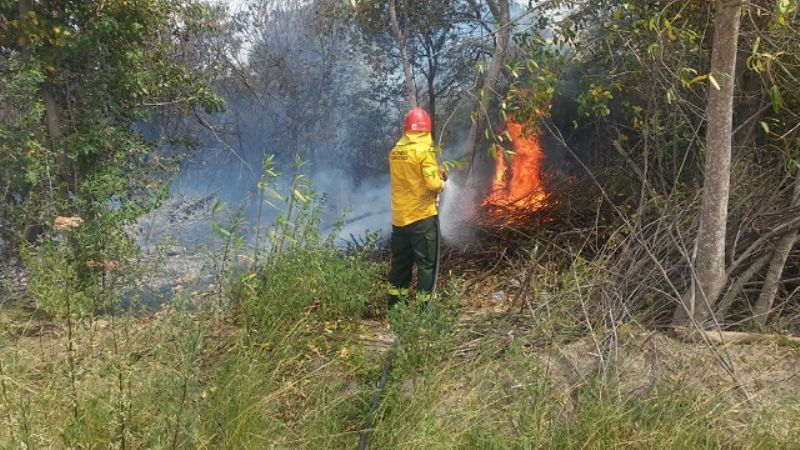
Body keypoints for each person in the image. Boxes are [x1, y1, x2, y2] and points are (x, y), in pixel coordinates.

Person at [387, 107, 447, 309]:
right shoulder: (425, 151)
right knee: (426, 265)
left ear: (406, 129)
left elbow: (409, 177)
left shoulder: (395, 152)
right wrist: (441, 181)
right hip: (422, 217)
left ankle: (396, 308)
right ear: (426, 129)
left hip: (399, 219)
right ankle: (424, 310)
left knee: (400, 264)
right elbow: (433, 185)